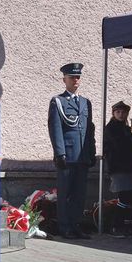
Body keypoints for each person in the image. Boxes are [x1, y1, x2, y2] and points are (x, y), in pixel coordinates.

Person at [48, 63, 96, 240]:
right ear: (64, 80)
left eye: (78, 77)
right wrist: (59, 153)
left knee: (79, 194)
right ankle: (64, 226)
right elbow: (55, 129)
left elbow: (89, 130)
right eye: (72, 77)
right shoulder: (58, 102)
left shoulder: (85, 102)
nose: (76, 80)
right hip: (67, 156)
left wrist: (92, 151)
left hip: (82, 155)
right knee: (66, 193)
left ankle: (76, 225)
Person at [103, 101, 132, 237]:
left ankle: (121, 225)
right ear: (113, 113)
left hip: (128, 167)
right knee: (124, 197)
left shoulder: (125, 128)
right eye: (118, 112)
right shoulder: (112, 128)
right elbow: (122, 146)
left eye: (123, 112)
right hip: (118, 167)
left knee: (127, 196)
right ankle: (115, 226)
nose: (121, 114)